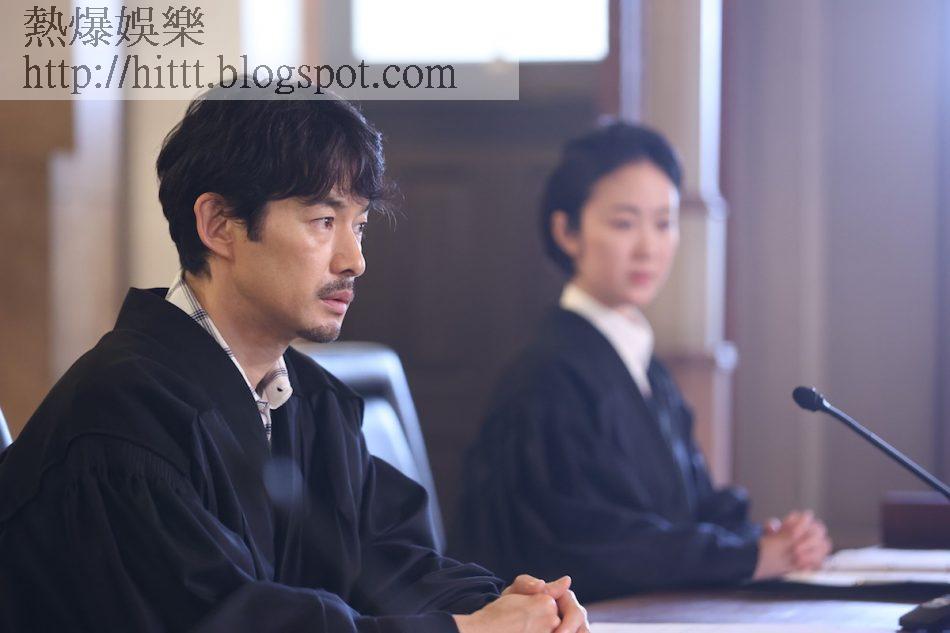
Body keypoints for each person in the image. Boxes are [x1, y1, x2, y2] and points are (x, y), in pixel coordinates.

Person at [0, 91, 589, 633]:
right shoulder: (120, 414)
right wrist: (462, 631)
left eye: (360, 225)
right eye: (324, 222)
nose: (355, 259)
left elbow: (391, 563)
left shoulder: (312, 401)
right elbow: (227, 621)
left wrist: (508, 605)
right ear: (219, 225)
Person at [454, 122, 832, 602]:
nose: (649, 247)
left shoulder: (644, 365)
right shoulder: (545, 377)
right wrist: (744, 557)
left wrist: (769, 540)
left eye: (664, 222)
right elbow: (590, 544)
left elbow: (686, 508)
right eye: (624, 223)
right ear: (567, 231)